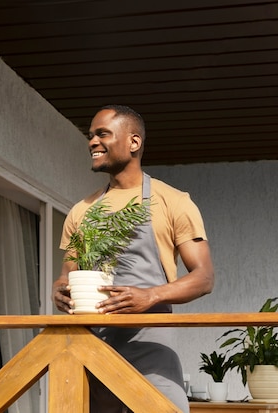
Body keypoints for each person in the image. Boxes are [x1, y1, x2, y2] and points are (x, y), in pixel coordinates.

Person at [52, 105, 215, 413]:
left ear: (134, 142)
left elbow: (204, 278)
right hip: (92, 349)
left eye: (102, 134)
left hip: (151, 348)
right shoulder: (81, 211)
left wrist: (150, 295)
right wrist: (60, 287)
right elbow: (69, 272)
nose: (92, 142)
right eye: (90, 136)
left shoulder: (173, 202)